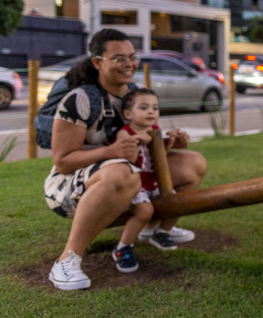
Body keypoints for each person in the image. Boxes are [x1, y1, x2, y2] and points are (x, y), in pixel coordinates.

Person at [45, 29, 206, 290]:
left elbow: (146, 147)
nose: (129, 64)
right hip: (68, 189)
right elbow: (63, 162)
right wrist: (112, 152)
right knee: (123, 172)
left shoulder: (135, 95)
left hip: (129, 178)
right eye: (119, 58)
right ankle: (67, 260)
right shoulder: (80, 100)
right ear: (98, 62)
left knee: (193, 163)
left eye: (132, 57)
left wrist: (169, 142)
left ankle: (153, 228)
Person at [110, 88, 181, 273]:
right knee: (144, 211)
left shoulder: (155, 130)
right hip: (136, 185)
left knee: (177, 204)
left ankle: (161, 233)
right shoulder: (124, 133)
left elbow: (159, 158)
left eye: (155, 108)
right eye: (144, 107)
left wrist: (169, 142)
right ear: (128, 114)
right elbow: (128, 161)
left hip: (153, 182)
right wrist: (136, 140)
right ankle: (123, 247)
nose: (151, 112)